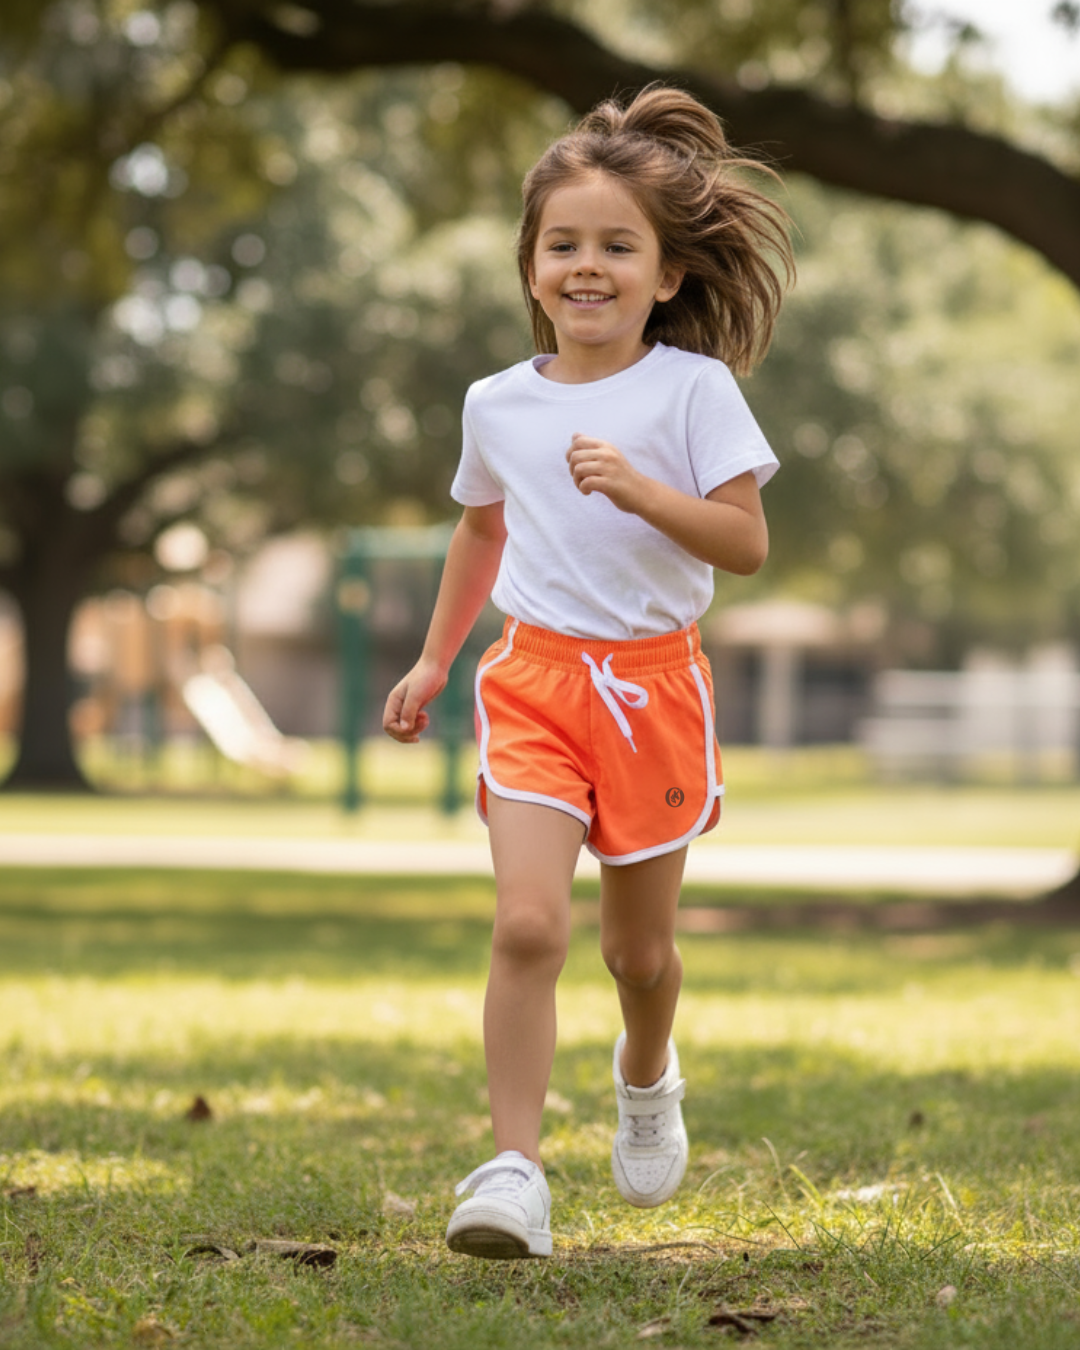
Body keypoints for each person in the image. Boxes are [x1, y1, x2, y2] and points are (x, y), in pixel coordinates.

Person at [383, 83, 793, 1260]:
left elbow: (747, 545)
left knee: (637, 955)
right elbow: (480, 530)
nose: (588, 266)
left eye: (619, 245)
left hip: (654, 690)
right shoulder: (496, 404)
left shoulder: (694, 391)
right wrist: (431, 658)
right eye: (564, 244)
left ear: (667, 275)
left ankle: (647, 1072)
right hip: (533, 685)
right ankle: (512, 1170)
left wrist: (641, 490)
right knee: (525, 927)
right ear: (530, 266)